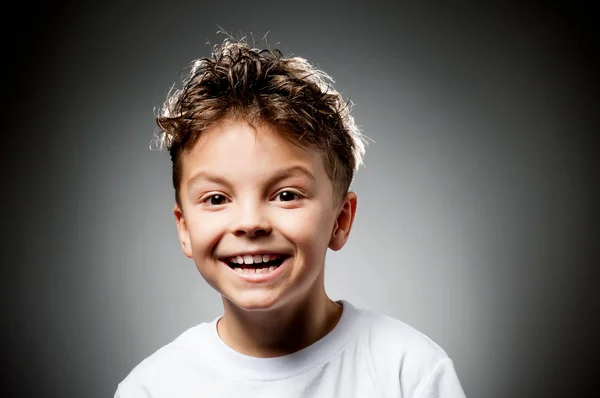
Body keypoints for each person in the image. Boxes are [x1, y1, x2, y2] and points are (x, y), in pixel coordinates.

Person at [114, 37, 466, 397]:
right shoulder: (152, 388)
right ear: (185, 228)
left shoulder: (410, 373)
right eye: (217, 198)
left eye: (286, 195)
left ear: (340, 221)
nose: (250, 223)